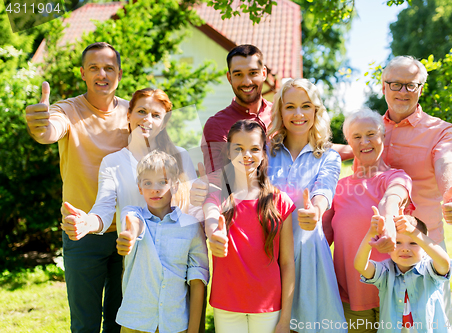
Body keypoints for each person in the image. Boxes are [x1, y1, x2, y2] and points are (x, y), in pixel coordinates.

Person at [24, 42, 128, 333]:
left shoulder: (133, 113)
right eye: (94, 67)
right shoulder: (67, 109)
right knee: (85, 323)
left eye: (109, 68)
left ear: (119, 73)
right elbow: (50, 129)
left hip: (127, 233)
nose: (102, 74)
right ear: (83, 73)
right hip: (81, 232)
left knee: (122, 321)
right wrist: (40, 125)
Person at [378, 55, 452, 325]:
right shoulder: (371, 129)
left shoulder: (440, 130)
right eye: (396, 84)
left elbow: (446, 162)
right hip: (380, 242)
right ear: (383, 87)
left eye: (411, 85)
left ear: (421, 89)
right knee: (385, 321)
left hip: (425, 244)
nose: (403, 91)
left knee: (433, 322)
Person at [60, 87, 196, 240]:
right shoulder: (112, 163)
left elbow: (195, 209)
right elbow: (104, 209)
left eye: (156, 115)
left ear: (163, 124)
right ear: (129, 116)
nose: (147, 119)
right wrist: (87, 223)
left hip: (180, 256)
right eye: (142, 111)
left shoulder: (181, 156)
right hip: (138, 258)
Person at [267, 78, 347, 332]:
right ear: (280, 111)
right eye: (290, 106)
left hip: (308, 250)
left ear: (316, 111)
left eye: (306, 106)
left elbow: (325, 189)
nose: (298, 114)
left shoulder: (329, 156)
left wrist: (315, 209)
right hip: (268, 252)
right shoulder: (266, 152)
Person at [323, 109, 413, 333]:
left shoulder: (395, 177)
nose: (365, 142)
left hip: (395, 294)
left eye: (371, 134)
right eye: (357, 137)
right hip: (351, 297)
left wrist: (388, 225)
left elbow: (391, 200)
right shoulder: (338, 187)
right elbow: (322, 240)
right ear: (348, 142)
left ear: (382, 135)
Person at [203, 120, 295, 333]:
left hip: (268, 306)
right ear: (228, 152)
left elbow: (288, 263)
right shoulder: (218, 197)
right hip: (227, 304)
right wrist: (214, 234)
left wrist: (286, 319)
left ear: (264, 153)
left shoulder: (281, 202)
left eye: (254, 149)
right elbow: (210, 217)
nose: (246, 155)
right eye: (239, 148)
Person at [115, 150, 209, 333]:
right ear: (140, 187)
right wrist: (130, 236)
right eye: (148, 183)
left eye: (162, 182)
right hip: (135, 323)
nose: (155, 189)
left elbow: (198, 282)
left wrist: (192, 330)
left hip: (175, 325)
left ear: (175, 186)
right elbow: (134, 224)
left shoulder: (191, 227)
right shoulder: (132, 213)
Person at [191, 44, 272, 205]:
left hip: (284, 210)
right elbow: (217, 183)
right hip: (240, 212)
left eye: (253, 73)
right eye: (238, 74)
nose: (246, 81)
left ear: (263, 73)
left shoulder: (280, 114)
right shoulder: (216, 125)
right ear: (229, 78)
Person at [354, 207, 452, 333]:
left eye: (413, 243)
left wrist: (413, 232)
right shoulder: (386, 272)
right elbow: (361, 266)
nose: (405, 249)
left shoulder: (429, 270)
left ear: (424, 247)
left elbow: (444, 263)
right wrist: (371, 234)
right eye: (398, 242)